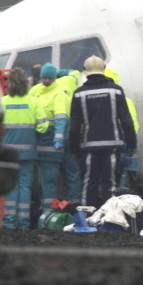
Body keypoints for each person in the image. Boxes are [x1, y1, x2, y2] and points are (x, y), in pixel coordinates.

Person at [70, 56, 137, 208]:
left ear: (85, 71)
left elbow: (74, 125)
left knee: (88, 184)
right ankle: (111, 221)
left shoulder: (79, 94)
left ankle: (88, 219)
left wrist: (74, 148)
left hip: (89, 147)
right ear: (103, 69)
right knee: (111, 184)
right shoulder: (116, 91)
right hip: (114, 145)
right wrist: (131, 144)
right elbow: (126, 120)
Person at [1, 69, 48, 229]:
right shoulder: (33, 101)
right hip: (28, 152)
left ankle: (8, 223)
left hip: (8, 154)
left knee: (10, 187)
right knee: (25, 187)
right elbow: (43, 125)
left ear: (9, 84)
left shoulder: (3, 102)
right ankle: (23, 223)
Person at [30, 62, 69, 210]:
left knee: (49, 179)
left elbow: (61, 118)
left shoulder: (58, 94)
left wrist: (58, 138)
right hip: (38, 143)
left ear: (54, 78)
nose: (46, 81)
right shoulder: (35, 91)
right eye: (44, 78)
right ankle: (45, 208)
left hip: (52, 143)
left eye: (49, 78)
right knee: (42, 179)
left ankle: (48, 210)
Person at [103, 67, 141, 188]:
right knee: (130, 173)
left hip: (120, 139)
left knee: (119, 175)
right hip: (131, 138)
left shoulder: (110, 101)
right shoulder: (126, 100)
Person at [55, 68, 83, 204]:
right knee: (73, 173)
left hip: (54, 137)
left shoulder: (50, 89)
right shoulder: (71, 81)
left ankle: (56, 205)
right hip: (71, 134)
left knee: (52, 176)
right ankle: (75, 204)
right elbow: (76, 72)